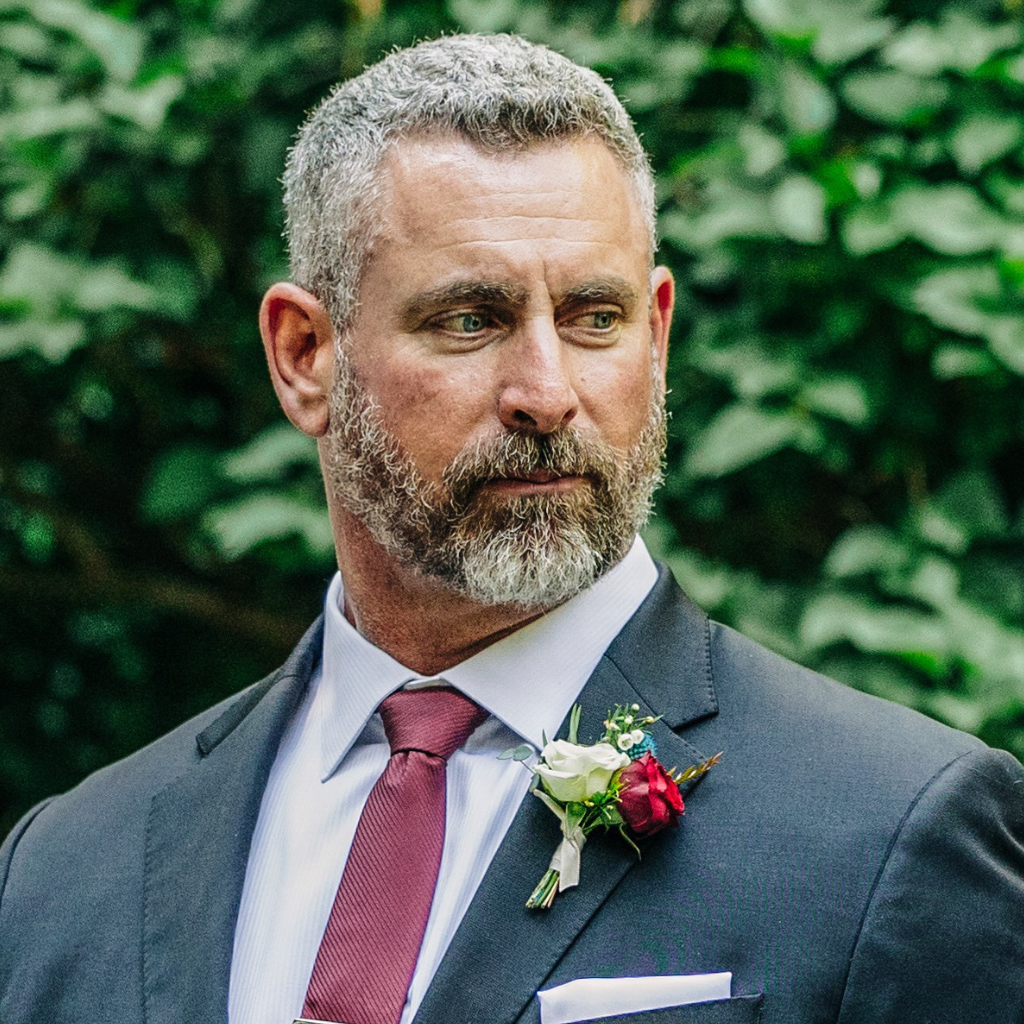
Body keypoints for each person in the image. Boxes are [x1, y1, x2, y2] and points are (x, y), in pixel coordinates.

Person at [1, 33, 1022, 1024]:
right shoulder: (63, 872)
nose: (546, 392)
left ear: (658, 333)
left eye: (594, 318)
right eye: (469, 320)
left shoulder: (893, 830)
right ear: (305, 354)